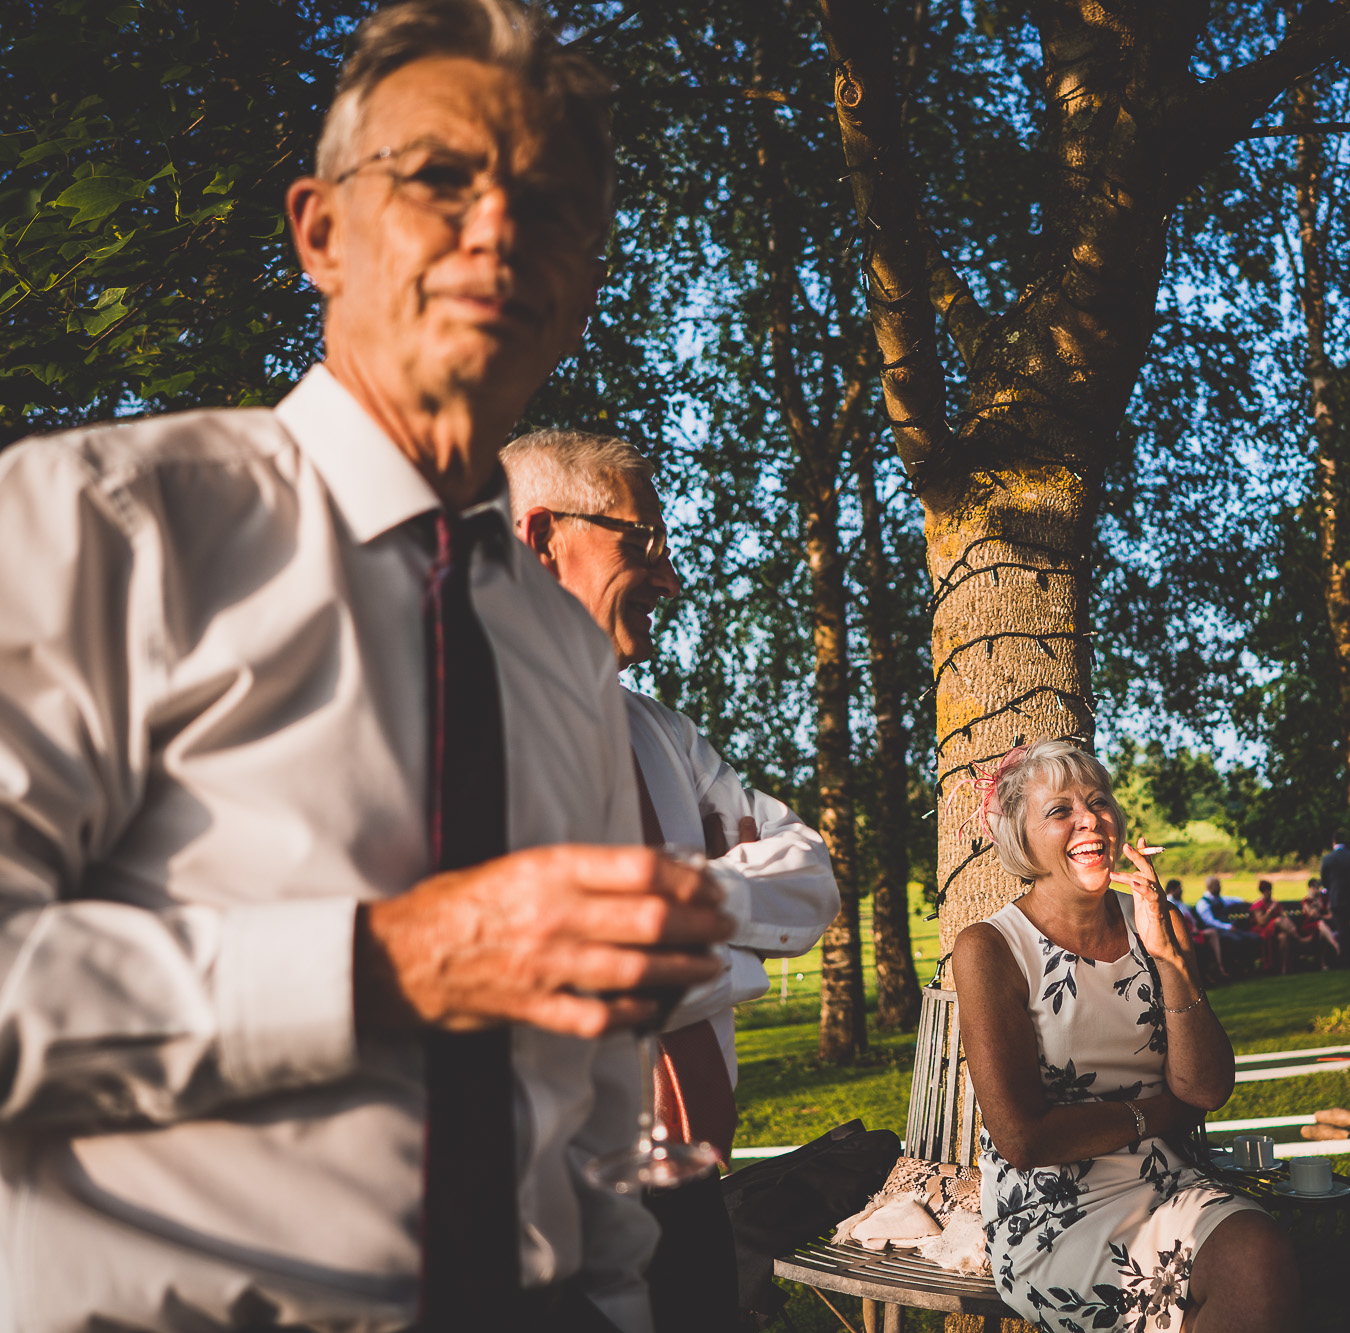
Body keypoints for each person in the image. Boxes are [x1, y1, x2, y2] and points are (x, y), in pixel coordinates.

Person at [0, 3, 739, 1329]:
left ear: (579, 283)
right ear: (321, 231)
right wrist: (381, 963)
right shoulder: (98, 525)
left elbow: (597, 1097)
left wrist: (615, 1299)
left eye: (554, 203)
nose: (498, 227)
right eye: (441, 176)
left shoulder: (567, 647)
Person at [500, 428, 839, 1330]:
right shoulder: (454, 727)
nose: (670, 577)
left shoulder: (664, 735)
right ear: (541, 539)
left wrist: (675, 905)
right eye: (640, 542)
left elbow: (811, 876)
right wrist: (736, 938)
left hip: (687, 1192)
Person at [954, 743, 1298, 1332]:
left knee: (1259, 1262)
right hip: (1053, 1208)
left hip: (1175, 1178)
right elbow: (1022, 1138)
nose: (1089, 819)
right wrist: (1162, 1112)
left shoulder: (1155, 921)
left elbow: (1208, 1088)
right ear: (1020, 838)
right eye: (1059, 811)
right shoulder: (990, 949)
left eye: (1098, 802)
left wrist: (1167, 956)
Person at [1164, 877, 1230, 981]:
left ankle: (1219, 965)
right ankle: (1205, 974)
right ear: (1172, 890)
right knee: (1197, 945)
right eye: (1179, 888)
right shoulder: (1170, 903)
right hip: (1181, 934)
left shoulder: (1180, 903)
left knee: (1213, 933)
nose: (1181, 891)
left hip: (1191, 931)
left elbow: (1192, 919)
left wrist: (1194, 927)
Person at [1247, 878, 1304, 974]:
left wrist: (1291, 925)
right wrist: (1270, 911)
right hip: (1262, 930)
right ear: (1262, 892)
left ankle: (1284, 968)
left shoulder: (1275, 903)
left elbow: (1284, 917)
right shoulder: (1258, 905)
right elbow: (1261, 922)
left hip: (1277, 931)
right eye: (1266, 890)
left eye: (1270, 890)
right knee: (1277, 921)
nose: (1269, 892)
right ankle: (1299, 939)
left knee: (1284, 937)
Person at [1318, 836, 1350, 964]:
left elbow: (1324, 880)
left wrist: (1331, 889)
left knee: (1342, 929)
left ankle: (1344, 959)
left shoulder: (1328, 858)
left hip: (1337, 898)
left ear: (1333, 842)